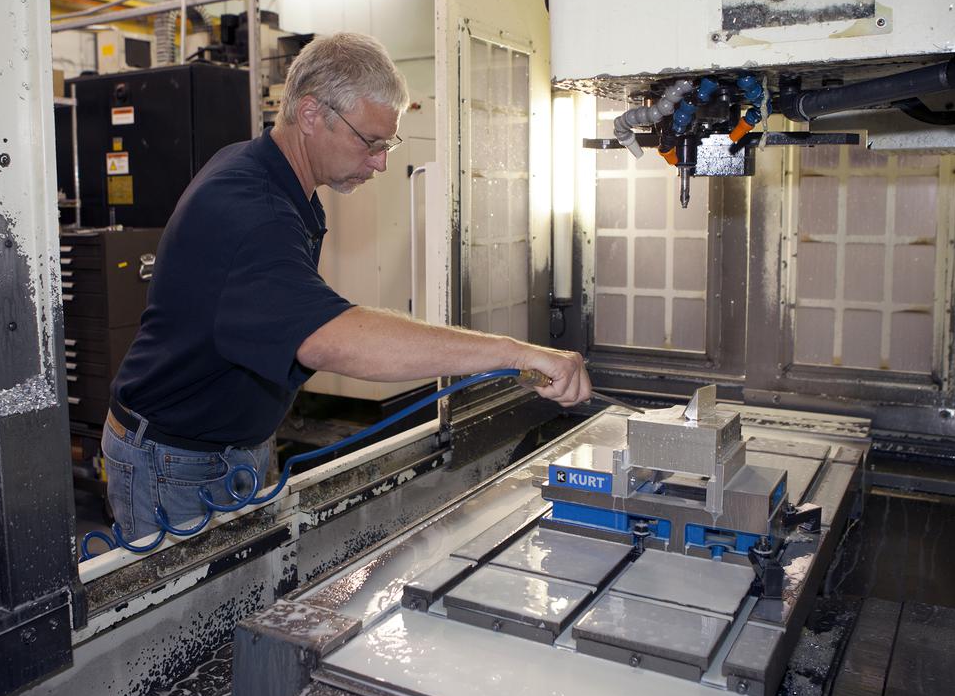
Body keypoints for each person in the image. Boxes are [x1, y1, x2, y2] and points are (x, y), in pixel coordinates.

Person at [103, 32, 591, 539]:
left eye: (389, 144)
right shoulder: (249, 209)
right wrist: (513, 354)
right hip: (176, 461)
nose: (381, 162)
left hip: (230, 445)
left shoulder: (273, 179)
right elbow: (332, 338)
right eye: (371, 142)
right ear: (311, 113)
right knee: (193, 617)